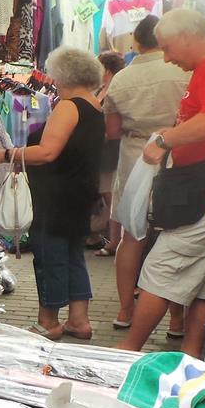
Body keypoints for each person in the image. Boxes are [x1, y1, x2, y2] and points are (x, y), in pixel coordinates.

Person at [117, 9, 205, 357]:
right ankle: (192, 350)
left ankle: (130, 348)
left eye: (167, 48)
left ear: (186, 37)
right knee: (204, 277)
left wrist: (166, 141)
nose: (167, 57)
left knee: (161, 267)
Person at [0, 46, 105, 340]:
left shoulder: (69, 106)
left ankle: (48, 321)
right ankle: (79, 320)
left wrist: (6, 155)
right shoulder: (94, 105)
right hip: (79, 192)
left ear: (63, 75)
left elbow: (48, 152)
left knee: (50, 257)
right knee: (72, 254)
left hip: (56, 195)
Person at [103, 14, 190, 332]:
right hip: (179, 153)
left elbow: (112, 131)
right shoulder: (184, 71)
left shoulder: (121, 79)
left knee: (131, 237)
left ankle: (126, 310)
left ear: (136, 42)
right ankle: (177, 320)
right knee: (177, 236)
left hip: (135, 156)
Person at [91, 51, 127, 255]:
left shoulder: (115, 88)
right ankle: (107, 237)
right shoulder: (102, 88)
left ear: (106, 69)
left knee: (110, 194)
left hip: (111, 149)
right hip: (102, 148)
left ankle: (115, 240)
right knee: (106, 193)